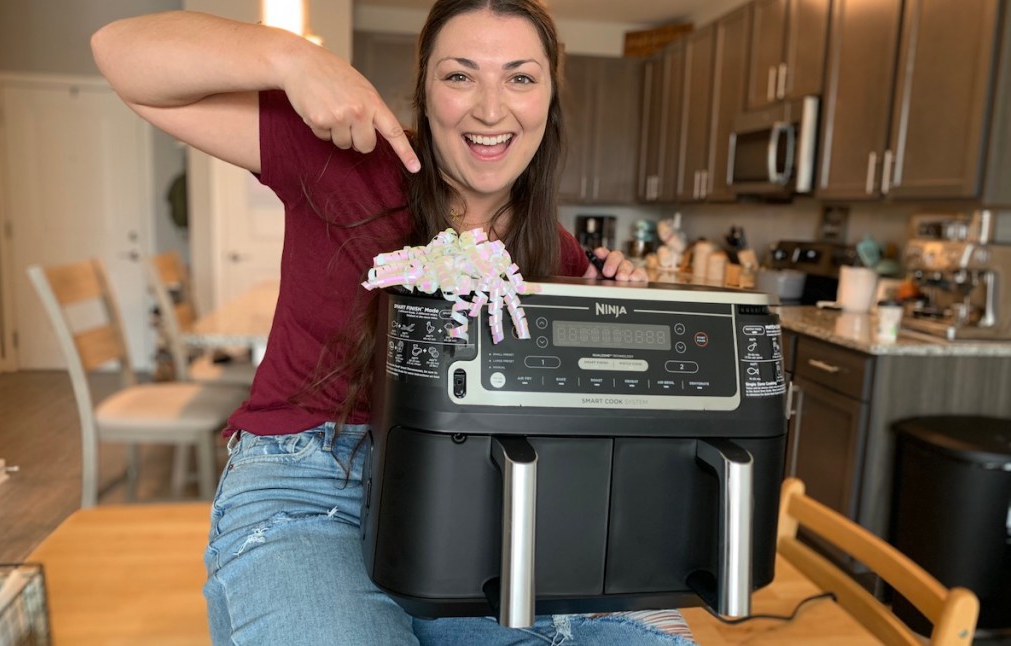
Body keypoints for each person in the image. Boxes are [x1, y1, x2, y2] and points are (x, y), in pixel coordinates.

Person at [92, 2, 692, 644]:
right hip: (308, 483)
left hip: (483, 507)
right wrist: (292, 57)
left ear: (549, 98)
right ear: (425, 92)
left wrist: (611, 313)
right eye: (460, 76)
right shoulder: (346, 160)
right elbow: (120, 54)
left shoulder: (558, 255)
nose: (491, 109)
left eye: (520, 77)